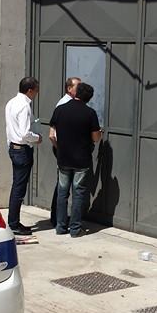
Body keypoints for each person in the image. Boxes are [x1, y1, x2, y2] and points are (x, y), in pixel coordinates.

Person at [49, 83, 102, 237]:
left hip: (63, 159)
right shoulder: (90, 113)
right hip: (81, 160)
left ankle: (60, 227)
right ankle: (75, 229)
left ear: (76, 93)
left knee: (62, 193)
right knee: (78, 193)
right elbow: (95, 138)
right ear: (89, 98)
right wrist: (99, 133)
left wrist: (60, 148)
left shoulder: (60, 109)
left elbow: (51, 135)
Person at [4, 76, 42, 235]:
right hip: (22, 150)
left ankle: (13, 221)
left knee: (17, 186)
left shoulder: (11, 102)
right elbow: (25, 133)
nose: (37, 94)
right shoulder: (24, 106)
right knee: (19, 188)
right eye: (36, 90)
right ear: (30, 90)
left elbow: (9, 128)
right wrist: (37, 138)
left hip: (14, 147)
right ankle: (13, 223)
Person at [50, 76, 81, 225]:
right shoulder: (63, 104)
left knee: (63, 185)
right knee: (63, 186)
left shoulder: (71, 103)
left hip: (64, 149)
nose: (80, 89)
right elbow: (53, 134)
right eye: (77, 87)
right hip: (63, 149)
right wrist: (60, 149)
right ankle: (57, 218)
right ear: (69, 89)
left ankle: (58, 218)